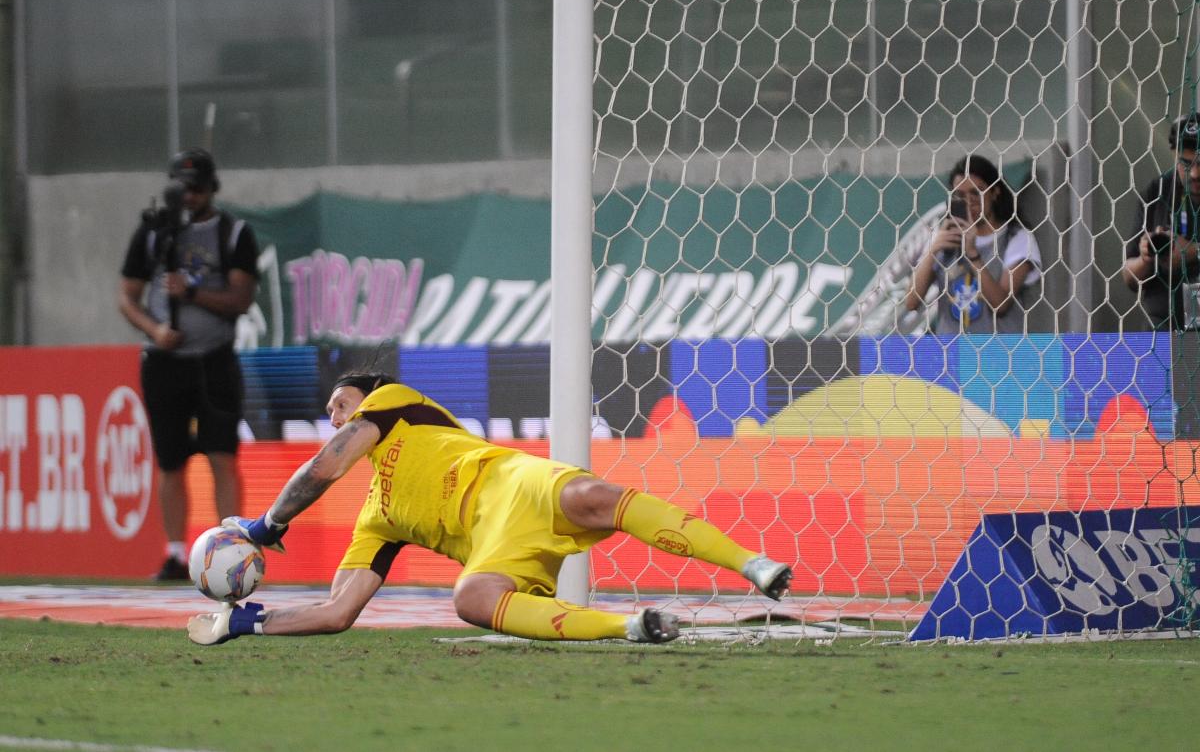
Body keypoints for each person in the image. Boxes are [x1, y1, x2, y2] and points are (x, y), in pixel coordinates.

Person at [187, 372, 793, 645]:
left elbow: (324, 466)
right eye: (330, 411)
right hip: (497, 547)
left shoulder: (394, 404)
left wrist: (266, 525)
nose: (335, 415)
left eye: (341, 403)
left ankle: (752, 566)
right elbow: (337, 611)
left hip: (513, 483)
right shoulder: (377, 520)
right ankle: (632, 627)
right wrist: (247, 623)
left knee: (593, 496)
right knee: (469, 600)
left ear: (366, 398)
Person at [118, 148, 260, 581]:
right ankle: (176, 552)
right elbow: (127, 296)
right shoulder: (152, 234)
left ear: (212, 187)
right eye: (184, 187)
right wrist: (155, 330)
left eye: (198, 187)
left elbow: (240, 300)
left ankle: (231, 547)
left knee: (221, 453)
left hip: (214, 358)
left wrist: (191, 293)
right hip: (165, 360)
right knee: (169, 460)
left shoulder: (234, 234)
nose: (191, 195)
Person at [905, 155, 1043, 334]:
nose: (969, 202)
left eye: (976, 193)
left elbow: (1000, 305)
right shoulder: (946, 238)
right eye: (961, 195)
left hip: (998, 354)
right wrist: (932, 251)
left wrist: (972, 253)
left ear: (995, 192)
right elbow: (911, 302)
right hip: (951, 354)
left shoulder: (1017, 238)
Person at [1121, 112, 1200, 329]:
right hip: (1163, 328)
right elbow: (1129, 276)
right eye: (1186, 162)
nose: (1194, 173)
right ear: (1174, 155)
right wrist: (1147, 258)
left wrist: (1192, 252)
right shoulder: (1157, 191)